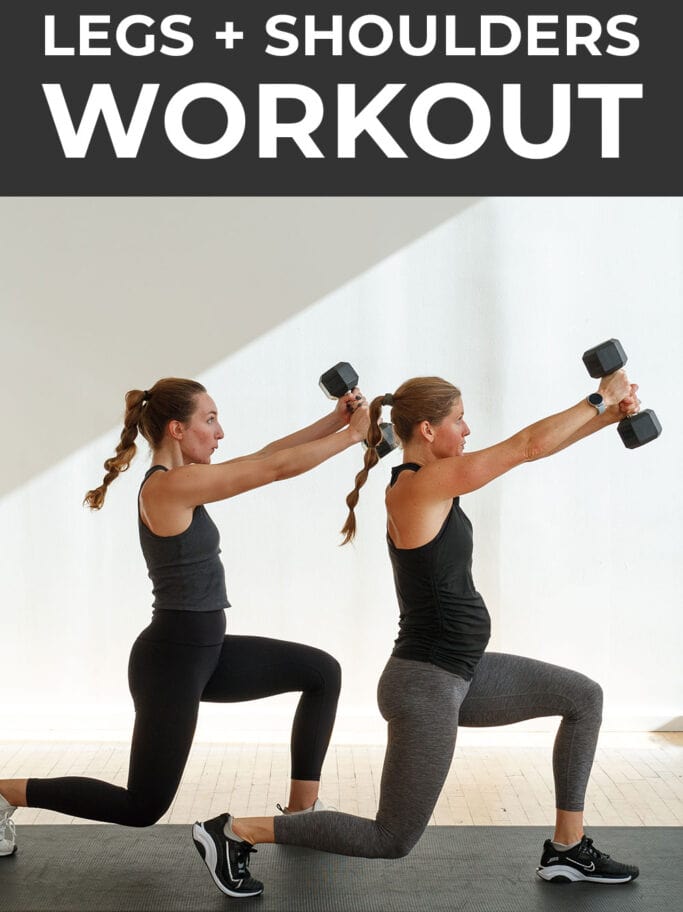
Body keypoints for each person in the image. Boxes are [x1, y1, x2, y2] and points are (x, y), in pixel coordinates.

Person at [192, 370, 643, 895]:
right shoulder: (418, 486)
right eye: (459, 420)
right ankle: (233, 832)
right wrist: (598, 397)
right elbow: (524, 447)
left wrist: (606, 417)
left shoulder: (437, 479)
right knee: (393, 837)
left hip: (462, 674)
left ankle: (568, 851)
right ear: (427, 430)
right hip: (426, 685)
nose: (468, 430)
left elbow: (533, 450)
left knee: (583, 697)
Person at [0, 376, 370, 892]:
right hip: (173, 660)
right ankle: (5, 793)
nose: (220, 434)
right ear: (177, 428)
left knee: (321, 673)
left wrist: (337, 421)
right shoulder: (166, 486)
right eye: (210, 420)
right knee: (142, 806)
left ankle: (301, 816)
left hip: (205, 651)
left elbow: (266, 454)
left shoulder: (184, 478)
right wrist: (354, 436)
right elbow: (274, 468)